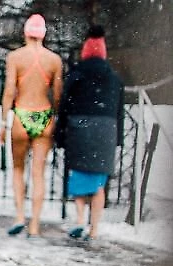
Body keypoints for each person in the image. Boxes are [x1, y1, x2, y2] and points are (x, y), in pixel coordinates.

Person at [58, 26, 124, 241]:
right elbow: (119, 110)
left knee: (78, 175)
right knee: (98, 182)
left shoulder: (76, 74)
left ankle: (78, 219)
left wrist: (60, 133)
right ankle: (94, 228)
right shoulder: (114, 78)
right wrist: (118, 137)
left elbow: (64, 106)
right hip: (106, 129)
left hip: (81, 126)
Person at [0, 13, 63, 237]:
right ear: (44, 33)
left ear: (26, 32)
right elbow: (57, 96)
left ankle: (19, 216)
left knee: (18, 169)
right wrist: (55, 119)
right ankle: (35, 224)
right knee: (38, 173)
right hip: (44, 115)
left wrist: (4, 121)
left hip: (21, 114)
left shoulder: (15, 57)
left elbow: (9, 91)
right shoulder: (54, 60)